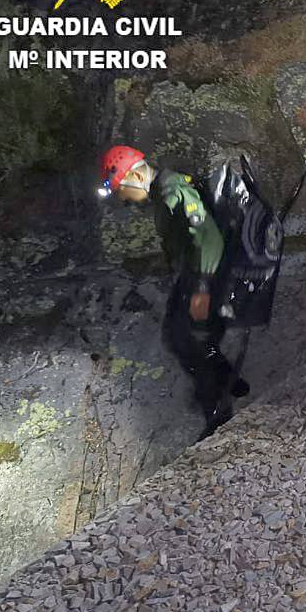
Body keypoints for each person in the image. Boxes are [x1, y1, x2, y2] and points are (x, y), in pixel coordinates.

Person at [97, 145, 247, 437]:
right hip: (196, 272)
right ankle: (229, 380)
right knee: (181, 335)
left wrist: (202, 289)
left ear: (136, 176)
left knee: (187, 337)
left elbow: (206, 238)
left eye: (120, 190)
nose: (122, 198)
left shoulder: (172, 192)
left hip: (209, 272)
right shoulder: (164, 193)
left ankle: (218, 411)